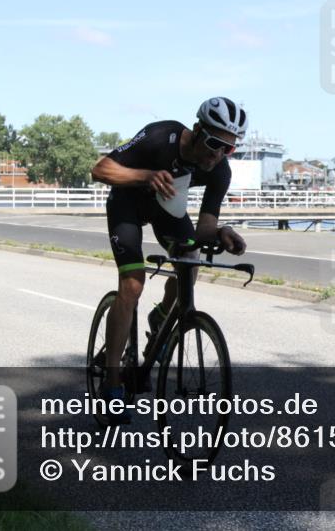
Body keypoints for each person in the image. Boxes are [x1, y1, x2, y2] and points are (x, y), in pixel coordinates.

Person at [91, 97, 248, 424]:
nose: (218, 154)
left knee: (189, 264)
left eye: (228, 149)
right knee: (132, 285)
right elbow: (100, 168)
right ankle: (112, 383)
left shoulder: (219, 170)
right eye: (215, 143)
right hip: (127, 205)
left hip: (167, 211)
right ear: (196, 130)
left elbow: (204, 228)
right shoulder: (161, 136)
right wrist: (145, 176)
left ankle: (160, 319)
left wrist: (221, 233)